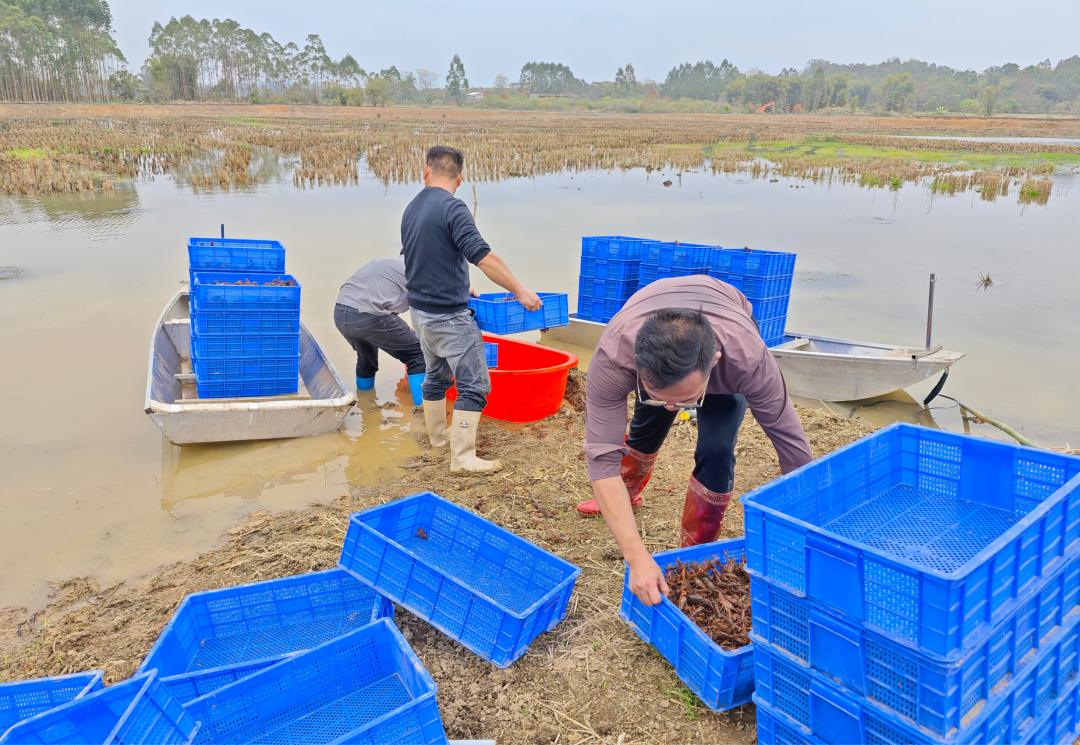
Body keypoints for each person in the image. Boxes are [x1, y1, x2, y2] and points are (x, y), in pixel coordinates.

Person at [580, 275, 813, 606]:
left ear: (714, 361)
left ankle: (695, 549)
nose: (676, 408)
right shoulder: (614, 357)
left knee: (717, 450)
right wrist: (636, 558)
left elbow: (794, 453)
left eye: (685, 398)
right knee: (646, 427)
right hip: (651, 319)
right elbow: (601, 461)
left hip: (726, 318)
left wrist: (803, 532)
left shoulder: (747, 360)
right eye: (663, 396)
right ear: (638, 366)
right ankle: (627, 492)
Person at [401, 145, 541, 473]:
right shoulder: (453, 208)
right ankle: (462, 458)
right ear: (460, 178)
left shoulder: (411, 208)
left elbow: (423, 256)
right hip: (448, 316)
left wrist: (459, 283)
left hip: (420, 313)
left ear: (425, 171)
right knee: (475, 384)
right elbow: (483, 257)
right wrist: (520, 291)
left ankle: (437, 438)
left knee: (436, 376)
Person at [333, 256, 427, 405]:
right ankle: (423, 411)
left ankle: (365, 403)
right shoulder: (421, 270)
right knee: (418, 355)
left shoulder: (388, 264)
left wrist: (400, 325)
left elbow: (380, 296)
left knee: (366, 360)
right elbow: (432, 306)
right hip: (368, 315)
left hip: (341, 312)